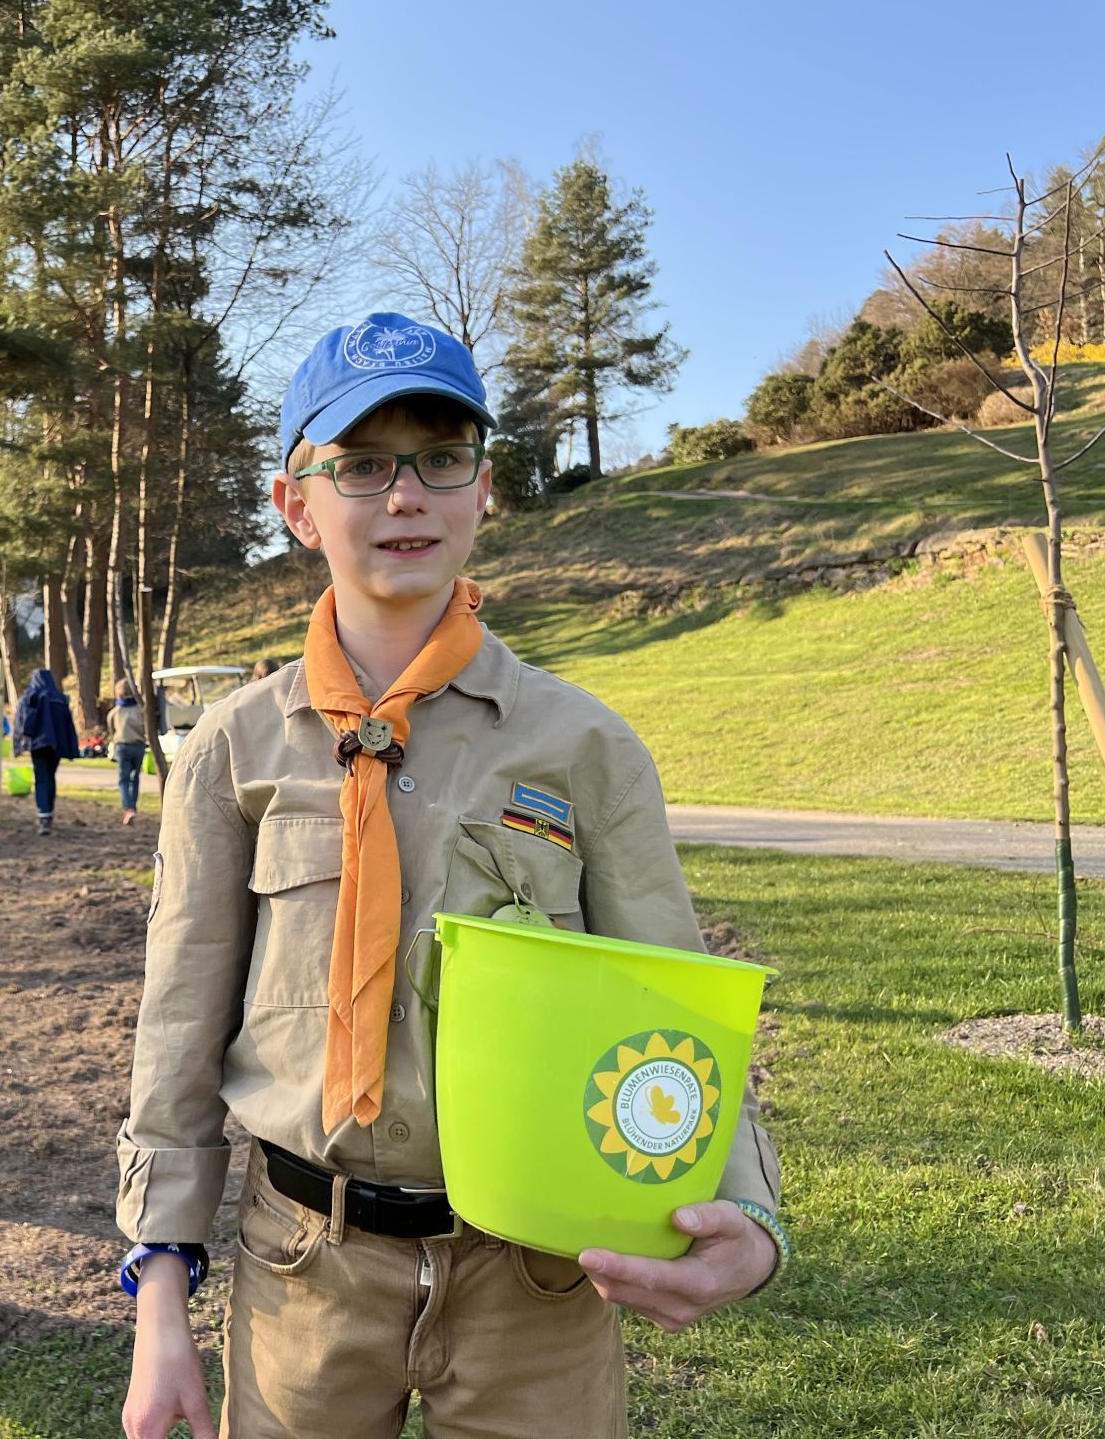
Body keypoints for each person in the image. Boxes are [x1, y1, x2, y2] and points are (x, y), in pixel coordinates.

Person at [116, 313, 787, 1439]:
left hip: (539, 1278)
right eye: (362, 465)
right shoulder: (233, 750)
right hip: (302, 1274)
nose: (405, 496)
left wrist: (746, 1214)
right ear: (297, 506)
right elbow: (178, 1022)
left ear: (484, 492)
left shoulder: (583, 748)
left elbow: (675, 1007)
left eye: (440, 458)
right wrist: (161, 1296)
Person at [14, 666, 79, 834]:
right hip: (56, 745)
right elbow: (68, 725)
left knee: (41, 778)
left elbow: (22, 721)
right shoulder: (60, 698)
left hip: (39, 745)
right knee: (50, 778)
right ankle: (49, 813)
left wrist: (19, 743)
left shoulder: (31, 697)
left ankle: (43, 815)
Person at [106, 677, 149, 827]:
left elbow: (111, 731)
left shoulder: (115, 712)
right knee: (134, 777)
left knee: (123, 779)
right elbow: (146, 728)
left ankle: (128, 808)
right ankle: (133, 806)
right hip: (138, 746)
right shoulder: (140, 711)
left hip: (123, 746)